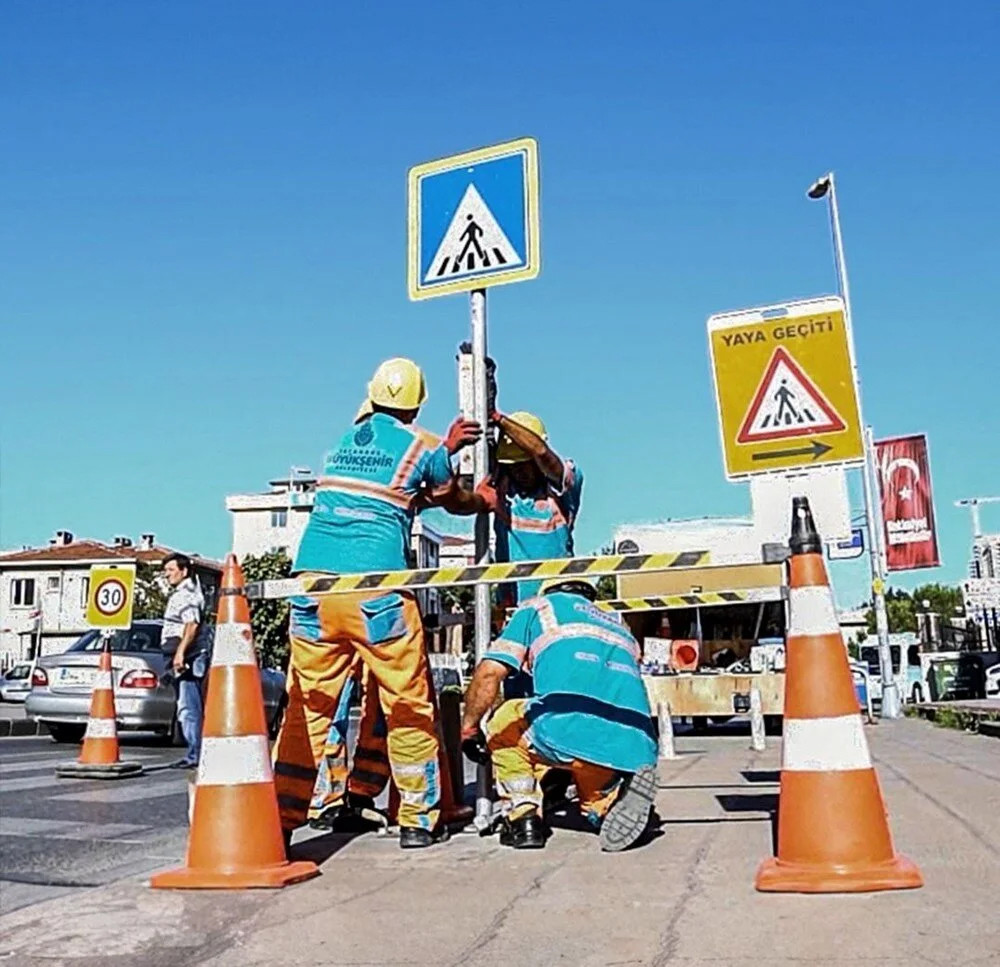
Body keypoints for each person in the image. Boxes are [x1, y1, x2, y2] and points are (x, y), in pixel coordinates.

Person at [273, 357, 495, 850]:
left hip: (311, 589)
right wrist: (476, 492)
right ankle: (417, 818)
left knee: (308, 708)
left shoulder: (339, 447)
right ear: (416, 404)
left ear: (370, 399)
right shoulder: (423, 445)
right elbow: (449, 498)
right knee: (407, 703)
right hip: (376, 589)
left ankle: (282, 819)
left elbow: (395, 495)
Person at [459, 578, 658, 852]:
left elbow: (490, 672)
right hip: (635, 743)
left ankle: (523, 818)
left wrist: (469, 728)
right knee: (591, 776)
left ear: (549, 590)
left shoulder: (539, 607)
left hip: (569, 727)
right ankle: (606, 805)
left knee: (505, 720)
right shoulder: (618, 625)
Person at [492, 411, 584, 602]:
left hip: (559, 601)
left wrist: (499, 419)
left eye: (525, 463)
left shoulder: (563, 489)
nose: (519, 471)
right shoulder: (504, 491)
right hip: (513, 607)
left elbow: (542, 453)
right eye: (513, 465)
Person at [161, 553, 211, 770]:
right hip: (186, 654)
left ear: (184, 571)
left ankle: (195, 754)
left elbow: (191, 625)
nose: (167, 575)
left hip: (189, 657)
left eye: (171, 570)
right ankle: (195, 752)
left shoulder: (186, 595)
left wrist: (180, 653)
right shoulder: (184, 593)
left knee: (188, 707)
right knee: (188, 706)